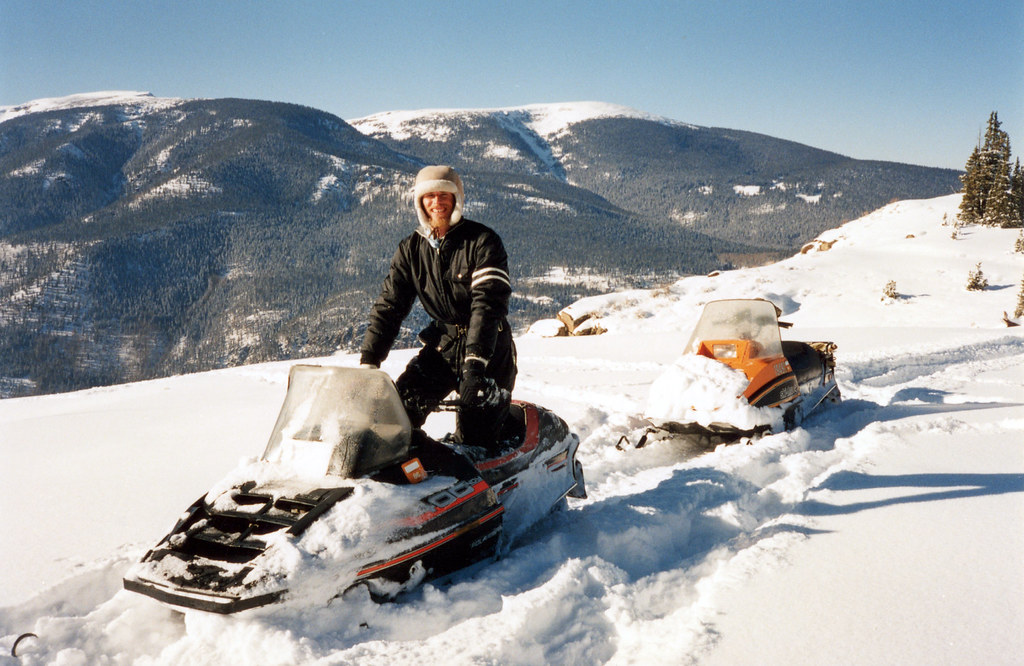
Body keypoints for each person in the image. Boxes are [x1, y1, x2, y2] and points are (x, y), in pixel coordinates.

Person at [359, 165, 516, 452]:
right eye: (429, 196)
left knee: (477, 445)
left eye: (444, 195)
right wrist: (369, 359)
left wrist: (476, 364)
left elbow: (487, 305)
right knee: (392, 419)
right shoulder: (411, 249)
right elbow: (390, 305)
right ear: (420, 202)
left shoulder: (482, 241)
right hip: (443, 347)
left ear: (457, 199)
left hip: (489, 349)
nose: (437, 202)